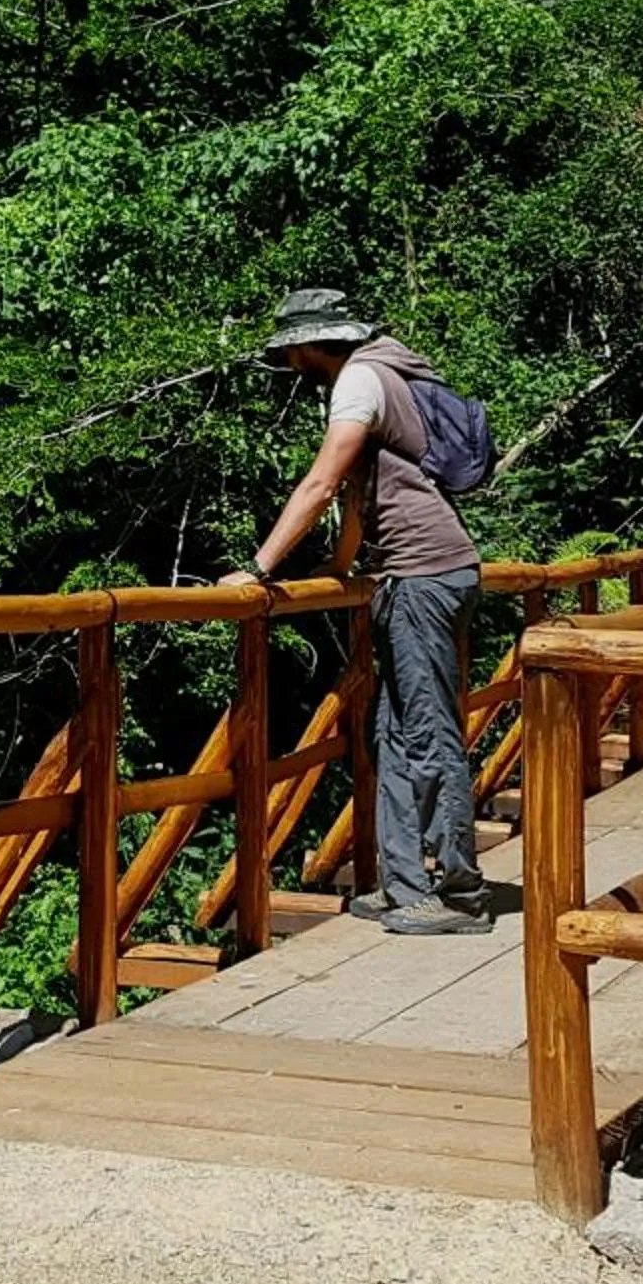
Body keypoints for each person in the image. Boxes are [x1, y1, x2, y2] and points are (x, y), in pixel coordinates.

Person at [220, 289, 490, 935]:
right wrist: (339, 572)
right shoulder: (382, 373)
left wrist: (259, 570)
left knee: (426, 737)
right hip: (420, 573)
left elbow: (321, 483)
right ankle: (404, 886)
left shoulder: (361, 381)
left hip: (424, 576)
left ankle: (462, 894)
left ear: (315, 344)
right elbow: (361, 494)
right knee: (392, 736)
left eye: (292, 351)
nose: (289, 363)